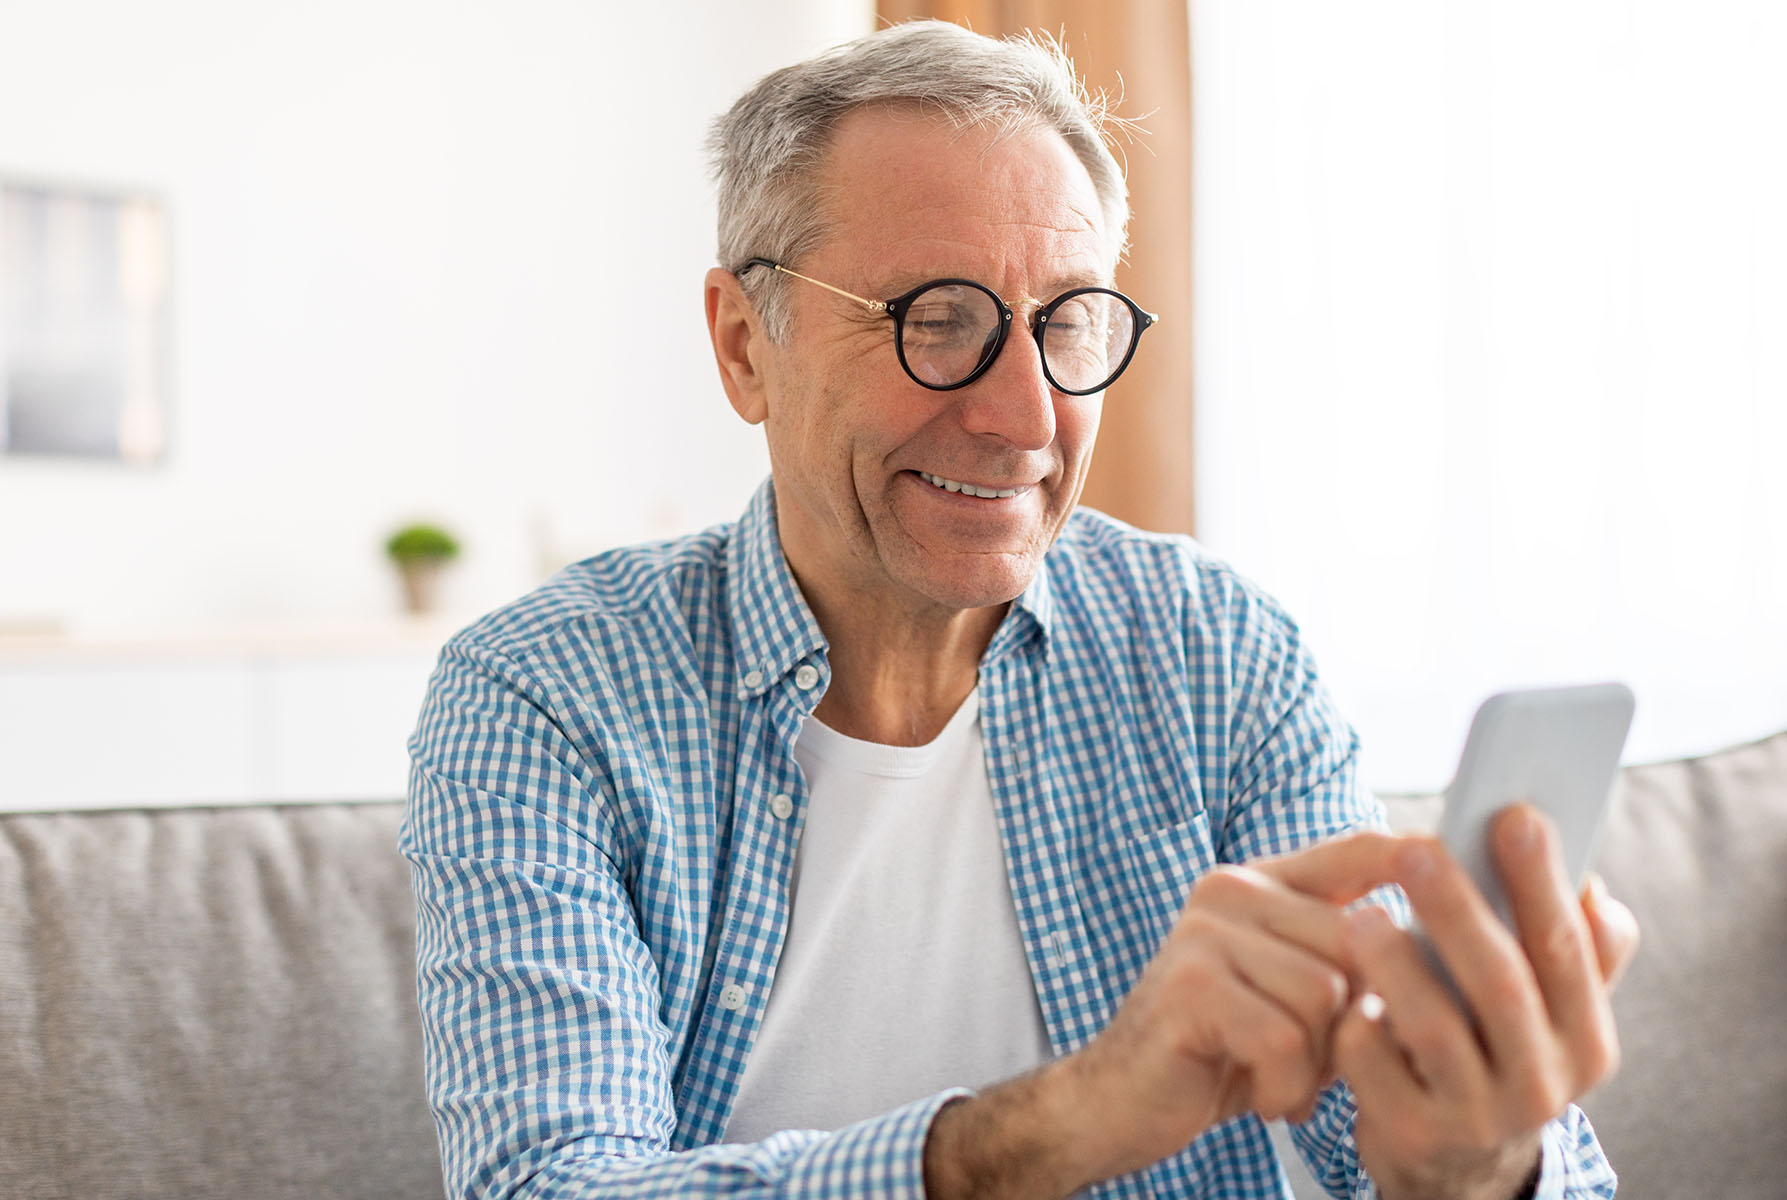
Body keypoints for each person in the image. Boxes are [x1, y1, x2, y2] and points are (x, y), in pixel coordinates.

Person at [402, 20, 1638, 1200]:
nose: (1028, 418)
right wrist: (1080, 1115)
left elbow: (1421, 1145)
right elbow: (554, 1185)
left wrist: (1468, 1161)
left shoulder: (1216, 653)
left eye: (1068, 322)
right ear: (744, 346)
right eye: (937, 321)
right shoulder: (546, 695)